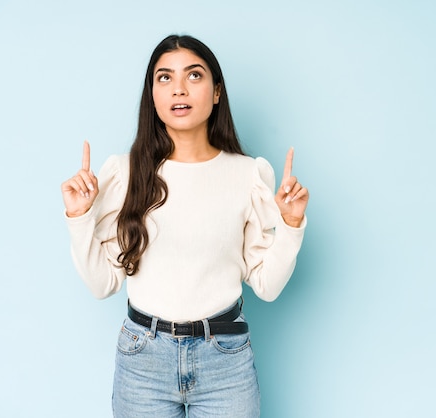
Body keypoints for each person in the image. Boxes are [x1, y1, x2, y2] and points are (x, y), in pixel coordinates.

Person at [61, 34, 308, 417]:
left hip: (224, 359)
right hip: (143, 359)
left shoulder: (247, 174)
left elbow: (268, 286)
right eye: (164, 78)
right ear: (152, 95)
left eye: (194, 75)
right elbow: (101, 284)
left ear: (216, 93)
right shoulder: (125, 173)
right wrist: (79, 217)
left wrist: (290, 225)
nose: (179, 88)